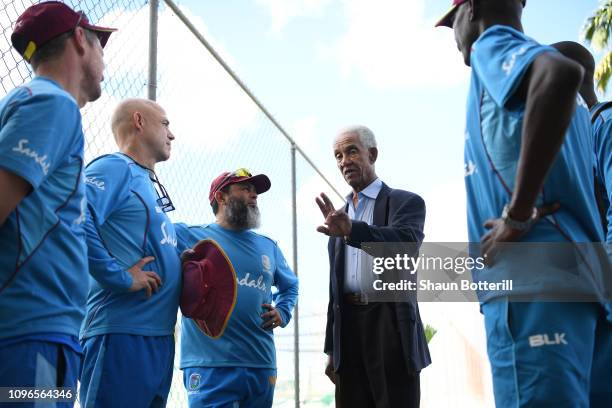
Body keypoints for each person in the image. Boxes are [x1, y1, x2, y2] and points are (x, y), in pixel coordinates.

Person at [436, 1, 611, 406]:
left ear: (473, 9)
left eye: (451, 22)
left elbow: (560, 74)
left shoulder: (492, 44)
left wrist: (516, 214)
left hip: (531, 283)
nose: (454, 35)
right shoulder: (580, 118)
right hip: (581, 286)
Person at [0, 1, 115, 398]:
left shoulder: (34, 101)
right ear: (81, 39)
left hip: (37, 332)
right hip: (30, 332)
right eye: (101, 45)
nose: (104, 60)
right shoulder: (52, 103)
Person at [316, 125, 430, 408]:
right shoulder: (337, 218)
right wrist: (333, 348)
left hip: (389, 323)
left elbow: (404, 245)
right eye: (338, 156)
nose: (344, 161)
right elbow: (335, 289)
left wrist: (354, 231)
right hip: (349, 329)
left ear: (373, 154)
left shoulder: (405, 202)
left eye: (352, 151)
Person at [79, 99, 181, 407]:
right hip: (121, 333)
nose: (172, 134)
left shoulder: (147, 184)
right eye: (165, 124)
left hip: (158, 338)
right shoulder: (114, 167)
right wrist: (119, 277)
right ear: (139, 121)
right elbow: (76, 217)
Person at [175, 168, 298, 408]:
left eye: (255, 191)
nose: (254, 195)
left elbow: (290, 286)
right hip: (209, 364)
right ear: (221, 197)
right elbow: (147, 240)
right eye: (245, 189)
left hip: (261, 363)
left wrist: (283, 311)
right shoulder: (188, 236)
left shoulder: (268, 246)